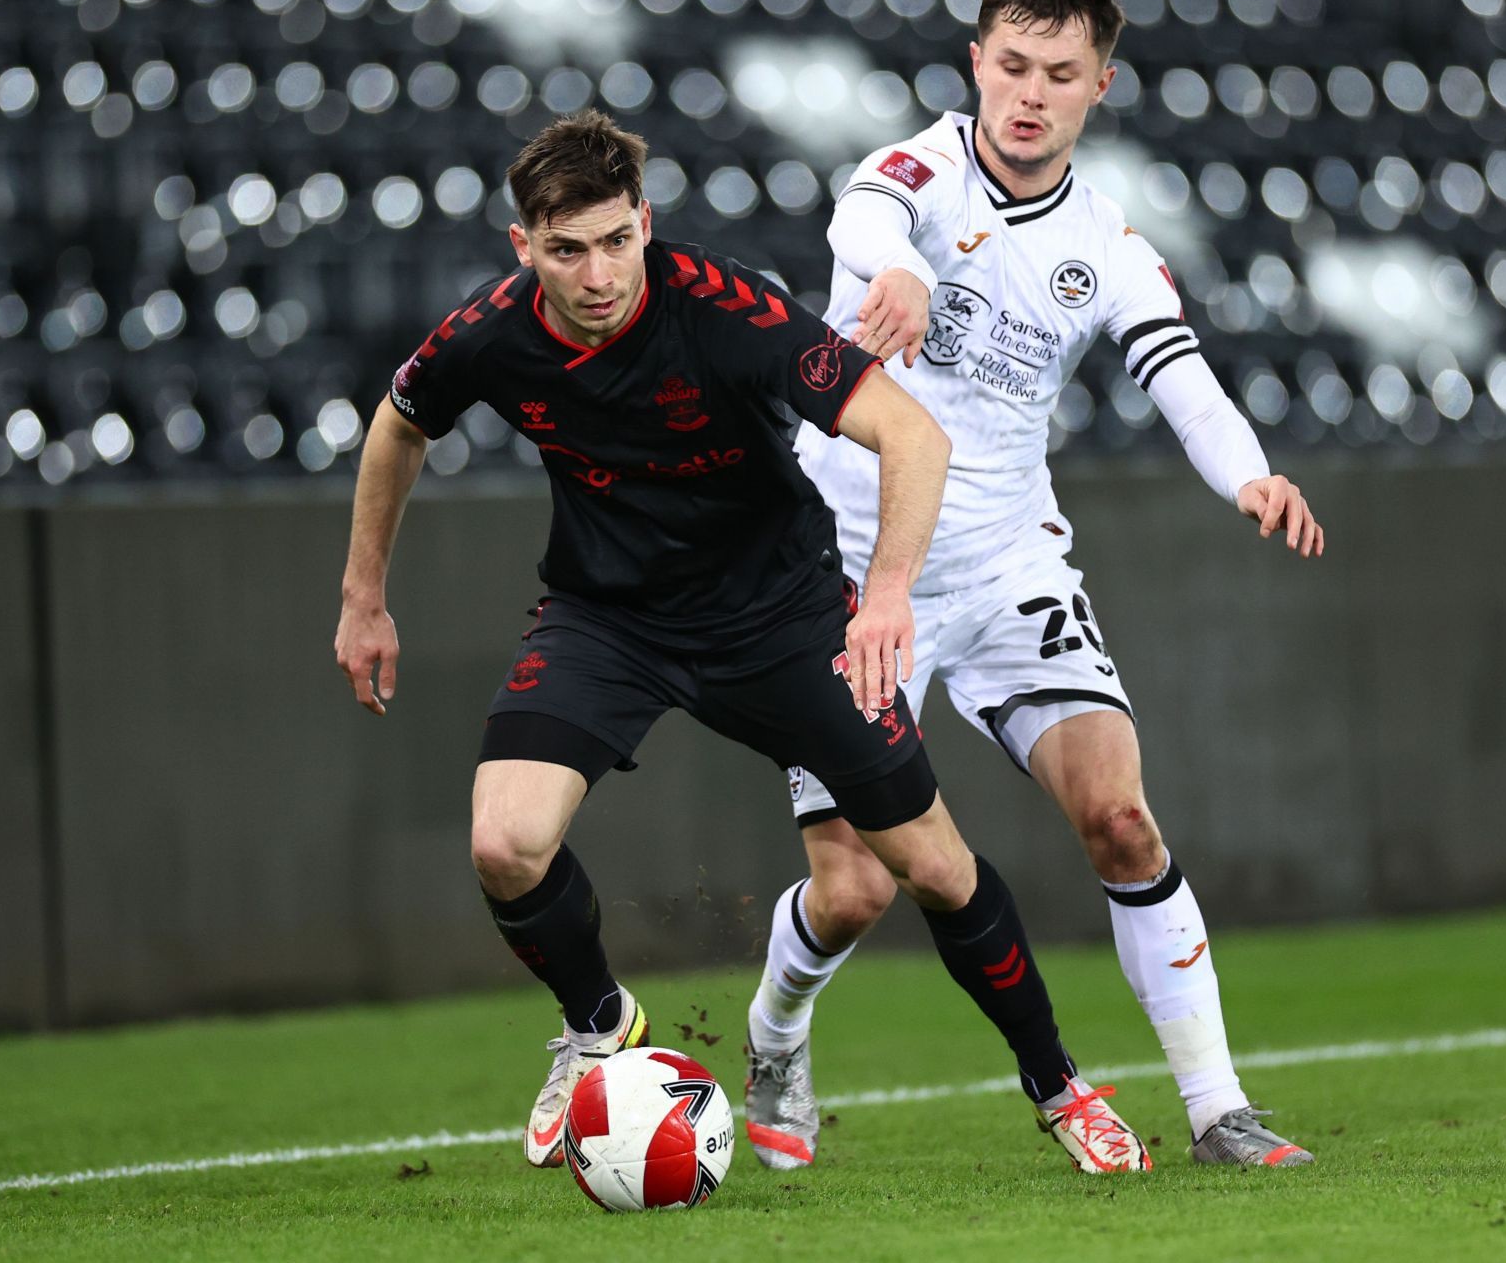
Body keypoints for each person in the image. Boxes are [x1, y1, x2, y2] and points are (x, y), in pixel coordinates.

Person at [334, 110, 1151, 1176]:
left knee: (933, 870)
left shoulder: (725, 312)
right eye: (568, 248)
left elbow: (913, 431)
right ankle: (597, 1022)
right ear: (522, 246)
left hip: (781, 618)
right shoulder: (490, 332)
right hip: (608, 618)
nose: (597, 273)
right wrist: (363, 597)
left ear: (646, 223)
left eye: (618, 239)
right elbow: (400, 420)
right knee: (504, 842)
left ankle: (1057, 1085)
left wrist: (885, 593)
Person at [742, 0, 1324, 1171]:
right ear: (975, 63)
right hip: (845, 571)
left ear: (1099, 87)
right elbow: (863, 219)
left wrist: (1251, 474)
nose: (1029, 94)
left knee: (1119, 817)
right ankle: (777, 1027)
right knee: (855, 891)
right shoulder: (911, 173)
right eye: (1011, 65)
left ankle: (1218, 1108)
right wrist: (897, 267)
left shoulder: (1108, 245)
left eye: (1060, 75)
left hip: (1007, 559)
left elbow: (1182, 374)